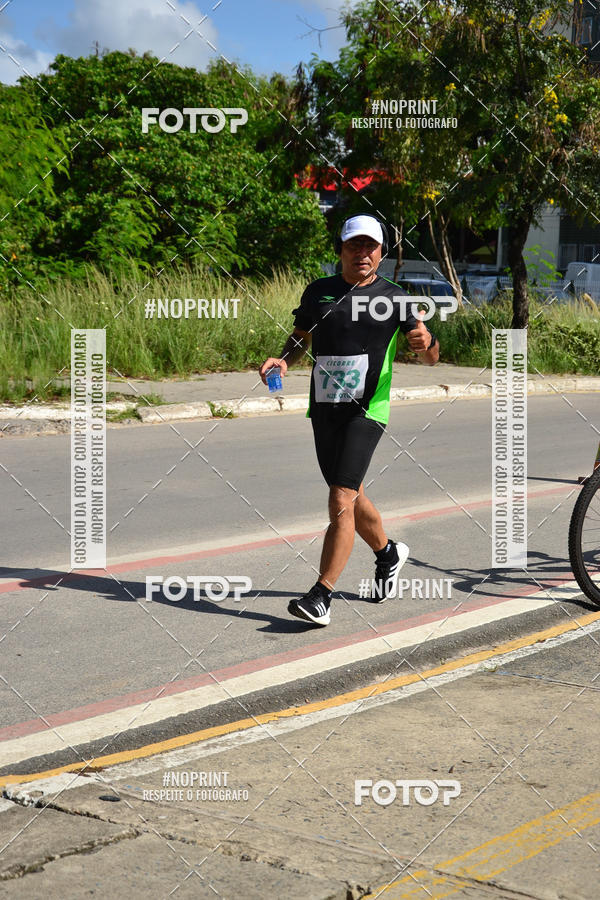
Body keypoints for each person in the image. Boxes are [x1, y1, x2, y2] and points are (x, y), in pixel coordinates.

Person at [259, 214, 439, 626]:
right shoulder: (319, 292)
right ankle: (388, 553)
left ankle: (321, 595)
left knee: (340, 498)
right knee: (351, 493)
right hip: (324, 408)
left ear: (381, 251)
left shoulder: (395, 297)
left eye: (370, 246)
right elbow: (301, 336)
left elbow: (430, 355)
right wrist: (282, 360)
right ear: (340, 249)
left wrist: (426, 343)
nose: (363, 253)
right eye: (354, 245)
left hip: (368, 410)